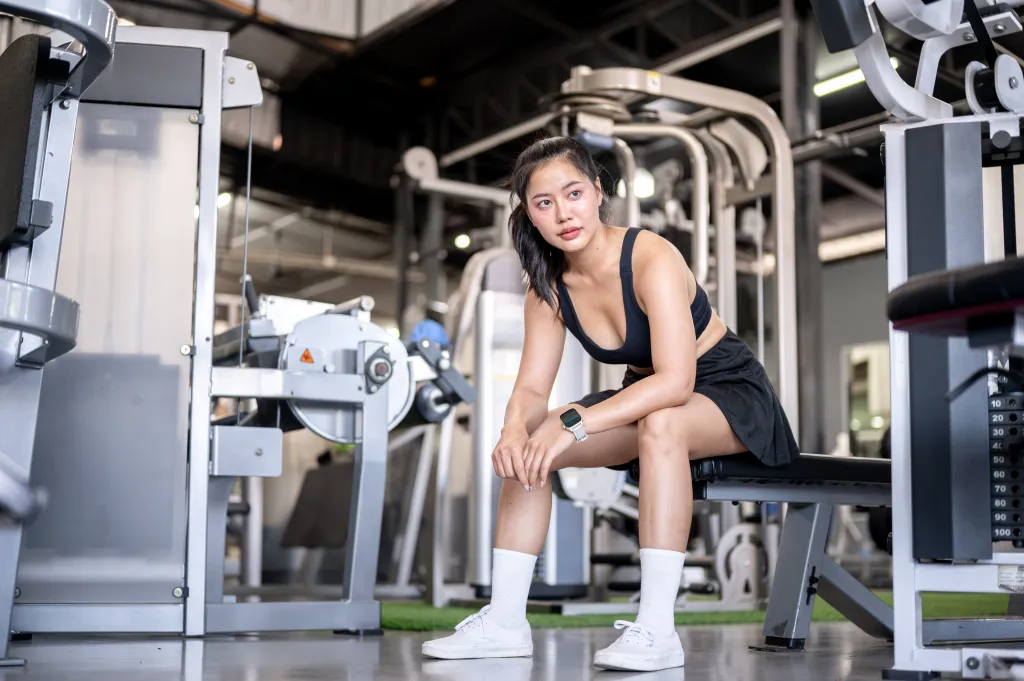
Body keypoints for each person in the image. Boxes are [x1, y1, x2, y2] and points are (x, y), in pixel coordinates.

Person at [422, 136, 799, 672]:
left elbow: (674, 382)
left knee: (658, 424)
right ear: (528, 214)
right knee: (531, 444)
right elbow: (531, 389)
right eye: (544, 203)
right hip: (647, 397)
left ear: (597, 191)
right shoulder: (548, 287)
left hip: (724, 389)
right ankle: (505, 621)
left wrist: (575, 421)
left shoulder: (650, 256)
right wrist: (512, 430)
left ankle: (657, 630)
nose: (562, 213)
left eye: (572, 193)